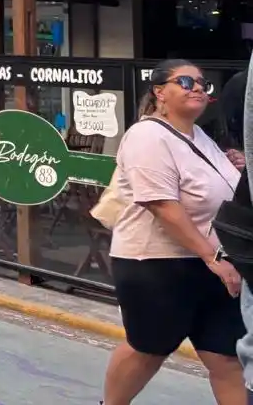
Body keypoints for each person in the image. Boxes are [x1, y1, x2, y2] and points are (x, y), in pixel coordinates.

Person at [103, 59, 244, 405]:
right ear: (159, 92)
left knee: (226, 355)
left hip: (212, 264)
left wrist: (234, 163)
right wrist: (213, 258)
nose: (197, 87)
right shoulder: (146, 135)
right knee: (148, 348)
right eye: (185, 81)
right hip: (156, 264)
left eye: (202, 82)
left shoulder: (200, 137)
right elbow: (163, 205)